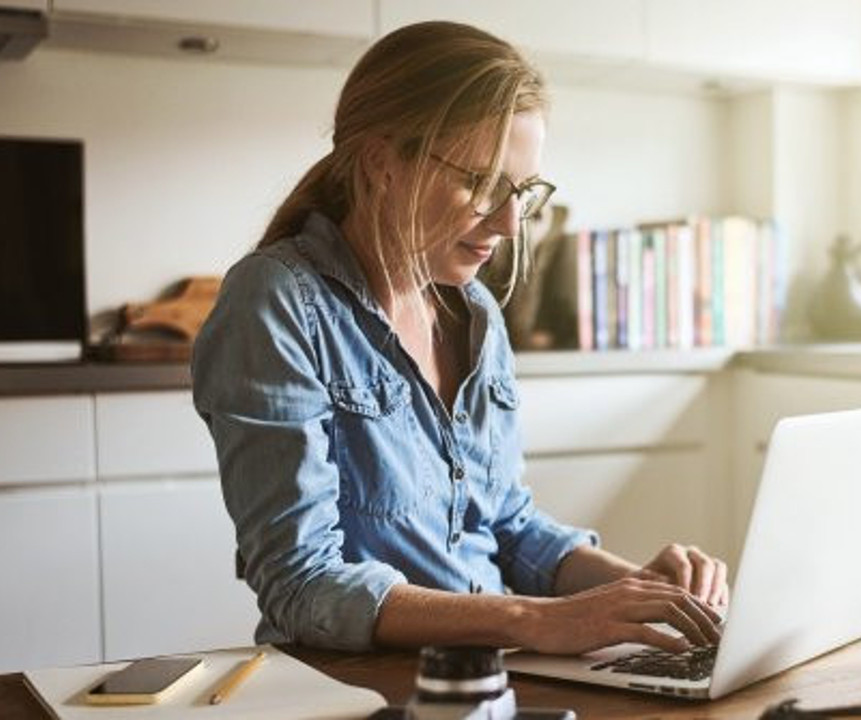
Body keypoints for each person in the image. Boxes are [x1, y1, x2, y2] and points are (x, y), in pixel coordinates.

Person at [191, 21, 729, 656]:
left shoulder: (474, 314)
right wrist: (534, 621)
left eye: (522, 193)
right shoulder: (279, 301)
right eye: (480, 184)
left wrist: (641, 591)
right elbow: (301, 582)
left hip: (493, 675)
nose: (507, 223)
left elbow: (507, 526)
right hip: (357, 685)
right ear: (382, 163)